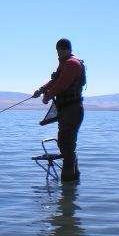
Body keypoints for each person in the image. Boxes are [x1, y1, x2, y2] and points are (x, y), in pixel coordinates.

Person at [34, 38, 85, 182]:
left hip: (72, 110)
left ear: (69, 49)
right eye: (58, 50)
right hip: (66, 110)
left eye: (63, 49)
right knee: (66, 144)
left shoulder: (72, 64)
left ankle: (67, 183)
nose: (60, 52)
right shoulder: (64, 64)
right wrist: (41, 89)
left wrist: (47, 96)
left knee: (66, 145)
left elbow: (61, 85)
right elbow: (55, 81)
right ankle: (73, 183)